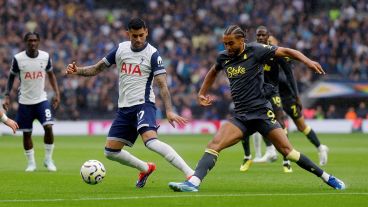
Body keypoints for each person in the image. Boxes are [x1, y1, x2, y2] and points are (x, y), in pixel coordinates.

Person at [168, 25, 345, 192]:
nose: (228, 47)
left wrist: (307, 61)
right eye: (225, 43)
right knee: (214, 145)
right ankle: (193, 182)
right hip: (241, 117)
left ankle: (327, 177)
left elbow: (286, 51)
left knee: (288, 152)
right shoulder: (224, 57)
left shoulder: (256, 50)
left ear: (242, 40)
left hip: (262, 114)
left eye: (231, 43)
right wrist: (202, 92)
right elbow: (213, 71)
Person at [65, 18, 194, 188]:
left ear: (146, 32)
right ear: (128, 34)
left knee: (151, 142)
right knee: (110, 152)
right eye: (134, 36)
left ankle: (190, 173)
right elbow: (97, 68)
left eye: (141, 35)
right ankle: (145, 168)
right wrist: (78, 71)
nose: (138, 39)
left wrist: (169, 110)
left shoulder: (153, 54)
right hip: (125, 108)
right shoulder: (120, 49)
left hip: (143, 104)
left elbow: (162, 84)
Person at [3, 32, 60, 172]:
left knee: (48, 127)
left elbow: (51, 75)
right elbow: (11, 78)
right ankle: (31, 163)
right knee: (27, 133)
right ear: (25, 42)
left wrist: (57, 93)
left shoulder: (45, 57)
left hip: (42, 100)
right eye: (30, 41)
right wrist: (6, 96)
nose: (32, 43)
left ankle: (48, 159)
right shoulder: (18, 59)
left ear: (39, 41)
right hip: (25, 102)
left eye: (35, 40)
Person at [240, 26, 291, 173]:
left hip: (272, 92)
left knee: (281, 122)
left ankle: (286, 159)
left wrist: (295, 94)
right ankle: (247, 156)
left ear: (268, 36)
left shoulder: (275, 52)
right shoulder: (252, 51)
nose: (261, 38)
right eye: (258, 36)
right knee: (245, 120)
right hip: (255, 93)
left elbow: (287, 74)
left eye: (263, 35)